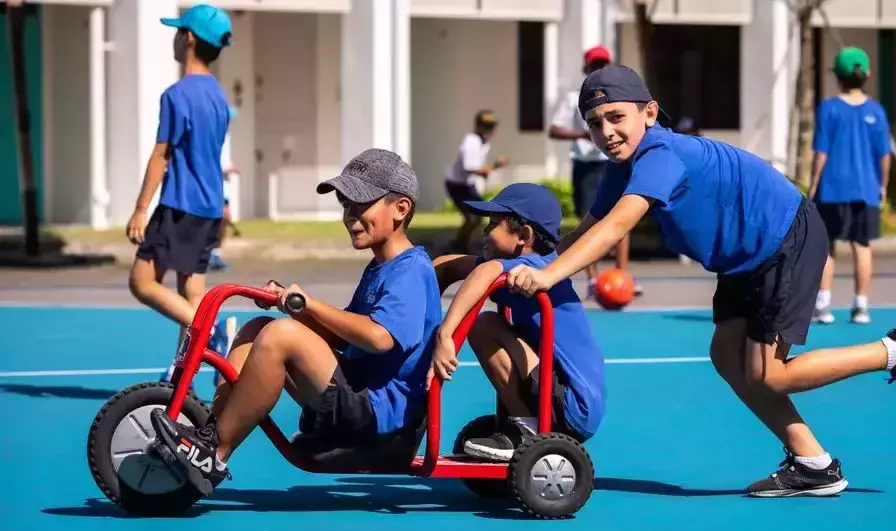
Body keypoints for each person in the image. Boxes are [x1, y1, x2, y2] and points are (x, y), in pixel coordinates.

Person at [503, 64, 896, 497]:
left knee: (768, 375)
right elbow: (590, 227)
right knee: (726, 355)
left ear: (649, 113)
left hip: (782, 239)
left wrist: (548, 276)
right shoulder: (623, 166)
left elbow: (616, 227)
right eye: (595, 123)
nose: (606, 132)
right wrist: (530, 265)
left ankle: (895, 351)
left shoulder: (660, 154)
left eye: (616, 117)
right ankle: (813, 464)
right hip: (745, 259)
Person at [149, 149, 443, 496]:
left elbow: (379, 338)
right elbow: (344, 337)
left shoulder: (411, 271)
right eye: (345, 204)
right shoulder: (381, 267)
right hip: (361, 397)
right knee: (259, 328)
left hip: (384, 419)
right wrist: (293, 307)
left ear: (401, 208)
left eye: (361, 203)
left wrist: (310, 305)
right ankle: (210, 432)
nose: (350, 215)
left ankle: (215, 455)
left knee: (280, 336)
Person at [431, 183, 605, 460]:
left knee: (484, 324)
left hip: (573, 404)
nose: (485, 232)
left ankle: (525, 430)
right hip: (557, 391)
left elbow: (485, 271)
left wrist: (444, 335)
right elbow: (449, 265)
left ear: (524, 235)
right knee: (487, 322)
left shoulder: (536, 268)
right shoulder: (518, 266)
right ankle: (522, 423)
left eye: (493, 225)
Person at [125, 4, 237, 385]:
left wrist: (141, 208)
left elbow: (162, 154)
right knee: (191, 294)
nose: (174, 38)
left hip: (180, 206)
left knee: (142, 282)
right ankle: (179, 378)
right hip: (209, 208)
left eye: (177, 32)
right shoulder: (219, 97)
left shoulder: (177, 95)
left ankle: (213, 333)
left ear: (188, 38)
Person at [809, 46, 892, 325]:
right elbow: (884, 155)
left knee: (826, 248)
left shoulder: (828, 108)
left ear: (837, 77)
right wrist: (883, 186)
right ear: (867, 74)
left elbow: (821, 153)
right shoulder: (876, 111)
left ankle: (823, 305)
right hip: (865, 190)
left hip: (831, 190)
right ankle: (861, 306)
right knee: (862, 246)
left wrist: (813, 185)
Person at [548, 45, 640, 298]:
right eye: (594, 65)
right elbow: (554, 129)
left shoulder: (619, 96)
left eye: (602, 65)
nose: (598, 69)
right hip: (586, 165)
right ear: (585, 68)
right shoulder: (573, 99)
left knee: (624, 215)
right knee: (590, 220)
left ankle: (622, 277)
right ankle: (593, 279)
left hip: (613, 161)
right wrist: (583, 132)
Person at [444, 110, 509, 253]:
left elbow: (479, 169)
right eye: (487, 126)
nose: (490, 130)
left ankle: (461, 243)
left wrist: (488, 170)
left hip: (467, 184)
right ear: (478, 126)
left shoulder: (483, 143)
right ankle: (458, 245)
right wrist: (495, 165)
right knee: (472, 216)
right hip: (457, 184)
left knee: (478, 215)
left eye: (492, 126)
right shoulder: (471, 141)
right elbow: (470, 167)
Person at [209, 106, 240, 271]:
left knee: (223, 219)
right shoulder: (213, 137)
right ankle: (209, 253)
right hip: (214, 186)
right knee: (219, 218)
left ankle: (215, 253)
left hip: (223, 186)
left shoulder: (225, 136)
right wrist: (227, 168)